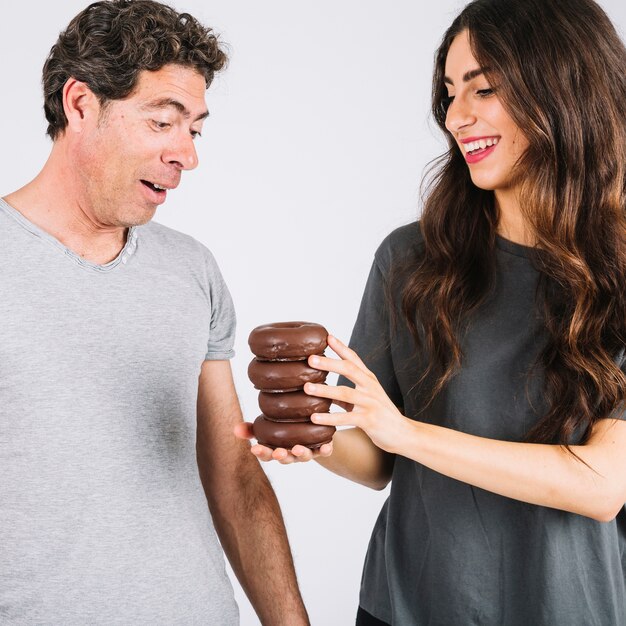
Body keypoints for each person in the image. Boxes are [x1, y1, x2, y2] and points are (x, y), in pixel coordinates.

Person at [238, 0, 626, 623]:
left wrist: (407, 432)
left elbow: (603, 484)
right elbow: (379, 464)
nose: (456, 116)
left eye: (484, 88)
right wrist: (318, 432)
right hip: (405, 608)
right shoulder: (410, 259)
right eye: (449, 92)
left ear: (565, 90)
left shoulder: (617, 275)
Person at [0, 1, 309, 624]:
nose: (186, 155)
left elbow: (234, 476)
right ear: (81, 105)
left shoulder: (191, 269)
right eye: (162, 123)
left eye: (193, 129)